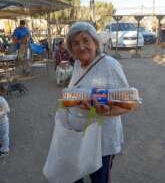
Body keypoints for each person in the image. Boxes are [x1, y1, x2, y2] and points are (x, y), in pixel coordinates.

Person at [46, 22, 138, 183]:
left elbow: (131, 103)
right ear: (71, 48)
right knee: (74, 175)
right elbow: (77, 94)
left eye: (85, 40)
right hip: (77, 136)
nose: (81, 47)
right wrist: (70, 101)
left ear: (95, 42)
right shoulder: (77, 65)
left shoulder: (110, 65)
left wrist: (106, 111)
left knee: (99, 179)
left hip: (101, 141)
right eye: (75, 43)